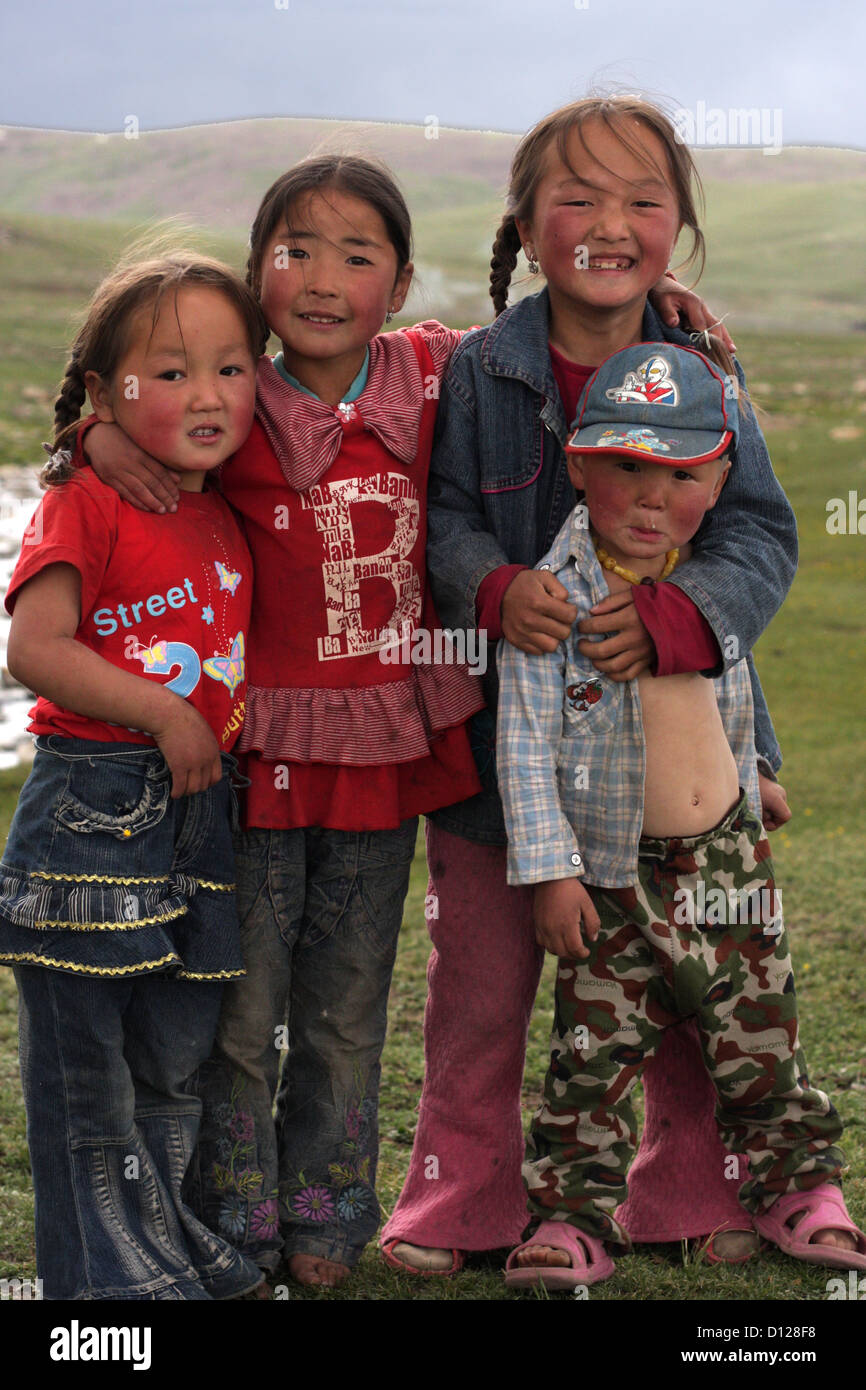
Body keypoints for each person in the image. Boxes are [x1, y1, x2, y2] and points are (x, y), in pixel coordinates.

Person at [79, 153, 733, 1288]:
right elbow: (148, 400)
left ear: (401, 281)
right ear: (256, 274)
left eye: (356, 253)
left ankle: (328, 1220)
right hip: (256, 761)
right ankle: (236, 1215)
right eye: (294, 252)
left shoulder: (434, 377)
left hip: (382, 760)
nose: (323, 279)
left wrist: (660, 309)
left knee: (344, 1010)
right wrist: (99, 438)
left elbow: (546, 336)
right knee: (241, 1015)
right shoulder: (231, 401)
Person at [382, 95, 798, 1276]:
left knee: (683, 982)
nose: (606, 222)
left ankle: (683, 1194)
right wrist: (491, 585)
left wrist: (677, 616)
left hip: (669, 756)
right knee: (479, 979)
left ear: (678, 227)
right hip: (505, 754)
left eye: (641, 199)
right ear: (522, 218)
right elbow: (447, 514)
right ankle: (459, 1198)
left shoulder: (702, 364)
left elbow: (759, 531)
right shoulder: (480, 367)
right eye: (575, 195)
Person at [499, 342, 866, 1288]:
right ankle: (572, 1219)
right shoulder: (554, 600)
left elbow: (731, 687)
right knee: (592, 1055)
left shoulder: (707, 581)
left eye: (680, 472)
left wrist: (760, 774)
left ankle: (801, 1190)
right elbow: (524, 747)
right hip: (612, 878)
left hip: (731, 863)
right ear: (580, 463)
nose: (651, 495)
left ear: (721, 474)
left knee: (760, 1035)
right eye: (625, 466)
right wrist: (549, 871)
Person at [0, 251, 269, 1299]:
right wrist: (164, 711)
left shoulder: (218, 501)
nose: (206, 395)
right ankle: (103, 1285)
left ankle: (158, 1244)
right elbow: (35, 646)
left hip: (195, 820)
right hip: (92, 805)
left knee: (171, 1058)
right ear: (110, 392)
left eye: (230, 368)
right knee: (86, 1077)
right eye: (168, 372)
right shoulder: (87, 500)